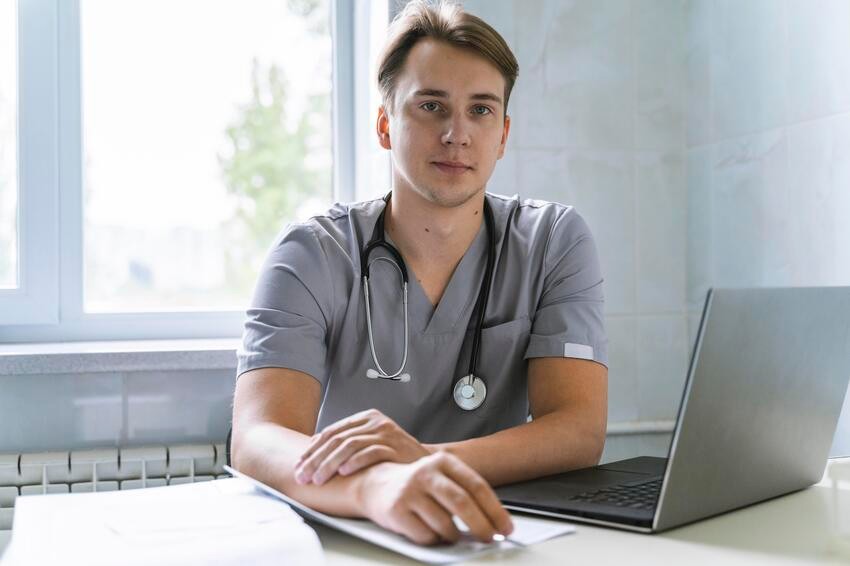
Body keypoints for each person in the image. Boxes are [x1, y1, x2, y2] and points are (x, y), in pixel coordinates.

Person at [230, 0, 608, 546]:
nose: (457, 133)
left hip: (495, 536)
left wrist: (423, 463)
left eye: (480, 110)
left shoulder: (553, 242)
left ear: (502, 135)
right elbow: (258, 439)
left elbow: (577, 430)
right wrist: (376, 485)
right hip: (349, 532)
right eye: (431, 106)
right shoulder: (311, 254)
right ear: (386, 125)